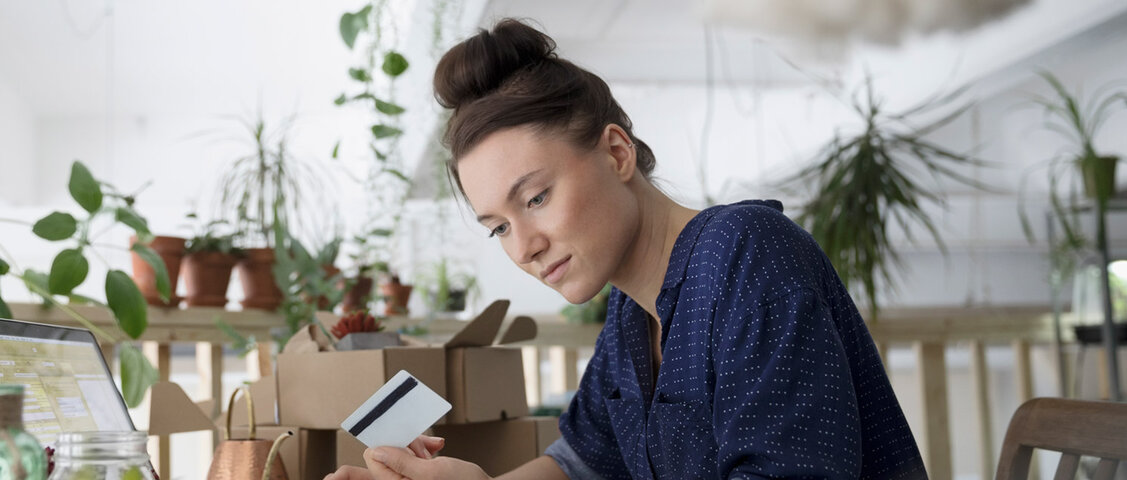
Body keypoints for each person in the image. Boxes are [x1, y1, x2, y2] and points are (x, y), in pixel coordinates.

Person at [327, 18, 926, 480]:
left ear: (617, 152)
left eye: (535, 198)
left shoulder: (745, 256)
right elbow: (580, 464)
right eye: (498, 227)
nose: (525, 249)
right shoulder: (628, 315)